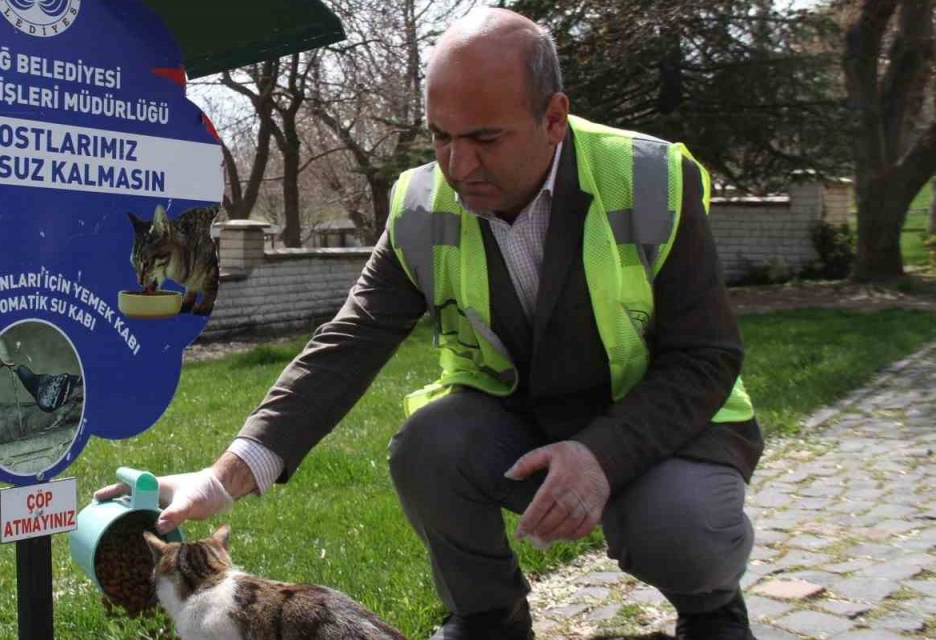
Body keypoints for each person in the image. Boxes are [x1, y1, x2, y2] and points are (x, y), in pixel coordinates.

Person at [95, 8, 763, 640]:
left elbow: (705, 357)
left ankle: (712, 611)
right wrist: (223, 477)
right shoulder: (421, 205)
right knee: (428, 443)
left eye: (485, 139)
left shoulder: (649, 179)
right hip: (524, 426)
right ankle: (486, 620)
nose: (459, 166)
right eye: (441, 137)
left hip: (657, 431)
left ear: (555, 117)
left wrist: (601, 456)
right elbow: (348, 343)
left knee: (685, 524)